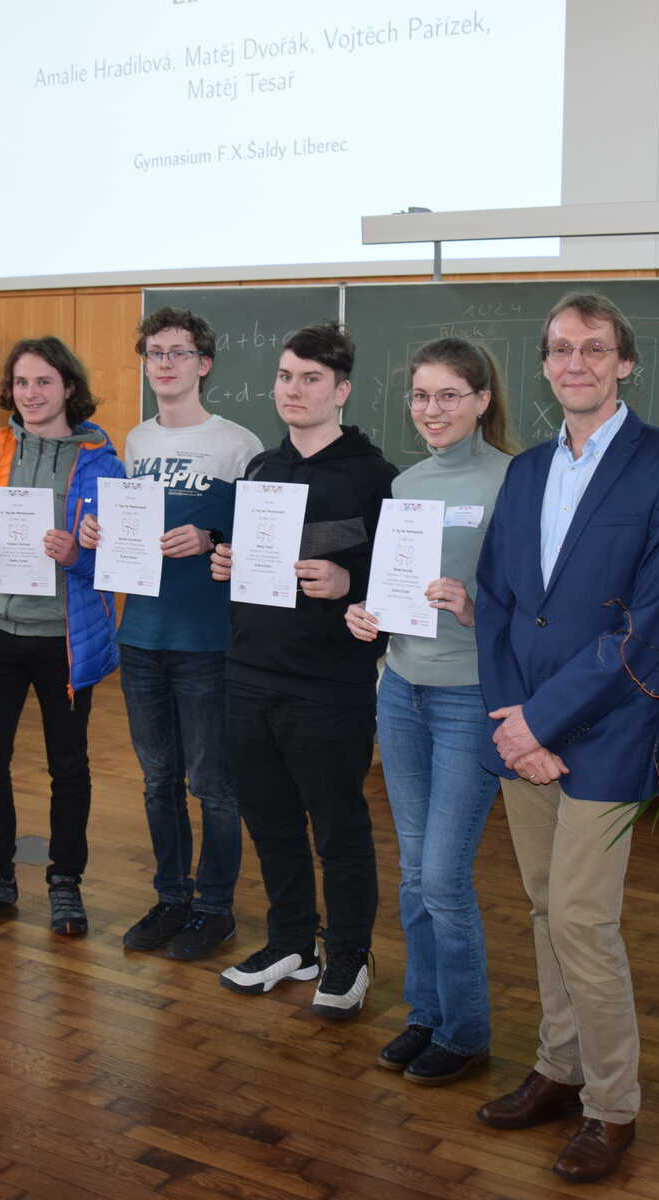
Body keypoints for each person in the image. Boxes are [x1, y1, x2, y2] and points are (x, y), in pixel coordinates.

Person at [473, 294, 659, 1183]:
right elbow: (499, 599)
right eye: (561, 349)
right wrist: (514, 718)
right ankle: (559, 1067)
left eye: (595, 349)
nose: (576, 362)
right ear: (544, 366)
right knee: (544, 907)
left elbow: (651, 622)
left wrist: (542, 719)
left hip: (609, 728)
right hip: (521, 729)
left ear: (625, 363)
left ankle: (613, 1107)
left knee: (582, 918)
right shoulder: (528, 470)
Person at [210, 322, 396, 1019]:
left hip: (328, 685)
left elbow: (398, 582)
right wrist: (225, 562)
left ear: (341, 390)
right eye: (286, 376)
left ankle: (348, 954)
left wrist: (350, 583)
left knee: (337, 827)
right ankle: (293, 941)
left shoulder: (375, 478)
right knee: (269, 817)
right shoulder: (261, 470)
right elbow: (253, 563)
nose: (294, 389)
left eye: (311, 378)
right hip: (249, 671)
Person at [344, 337, 513, 1084]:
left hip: (470, 697)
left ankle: (467, 1033)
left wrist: (476, 608)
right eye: (421, 395)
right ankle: (427, 1014)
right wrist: (367, 614)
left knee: (443, 876)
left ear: (482, 400)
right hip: (402, 690)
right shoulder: (406, 482)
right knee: (414, 874)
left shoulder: (513, 480)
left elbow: (536, 603)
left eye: (449, 395)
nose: (432, 409)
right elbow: (394, 583)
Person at [78, 308, 262, 960]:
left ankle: (214, 909)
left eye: (179, 352)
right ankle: (171, 898)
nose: (165, 363)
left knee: (212, 785)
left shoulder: (239, 445)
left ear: (203, 364)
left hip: (207, 639)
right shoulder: (134, 443)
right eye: (154, 352)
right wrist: (97, 533)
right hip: (142, 636)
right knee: (158, 782)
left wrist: (213, 537)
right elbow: (128, 531)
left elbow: (261, 539)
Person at [0, 336, 124, 935]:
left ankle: (65, 882)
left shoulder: (103, 464)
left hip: (65, 640)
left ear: (69, 387)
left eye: (43, 381)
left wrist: (78, 557)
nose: (31, 393)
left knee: (67, 766)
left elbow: (120, 557)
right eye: (21, 382)